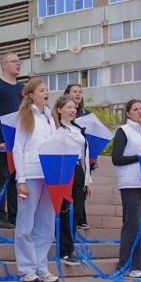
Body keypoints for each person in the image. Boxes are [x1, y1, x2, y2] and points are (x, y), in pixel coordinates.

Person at [12, 79, 59, 282]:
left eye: (47, 90)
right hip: (30, 175)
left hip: (49, 176)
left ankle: (41, 266)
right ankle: (26, 268)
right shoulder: (26, 116)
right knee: (26, 224)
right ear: (31, 94)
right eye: (41, 90)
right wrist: (20, 179)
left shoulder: (50, 116)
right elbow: (18, 148)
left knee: (46, 225)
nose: (45, 93)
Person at [111, 99, 141, 279]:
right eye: (135, 109)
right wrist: (140, 156)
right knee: (133, 224)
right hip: (132, 182)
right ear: (128, 113)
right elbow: (116, 158)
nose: (139, 112)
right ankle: (127, 264)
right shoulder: (124, 131)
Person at [52, 95, 92, 267]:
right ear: (59, 109)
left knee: (76, 212)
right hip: (62, 170)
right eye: (68, 107)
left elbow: (85, 155)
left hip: (78, 171)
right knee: (65, 211)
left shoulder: (78, 129)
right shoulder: (55, 128)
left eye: (74, 107)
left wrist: (88, 179)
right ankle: (65, 250)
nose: (73, 110)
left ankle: (69, 247)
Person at [0, 51, 24, 229]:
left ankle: (15, 216)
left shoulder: (22, 88)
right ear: (4, 65)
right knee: (2, 176)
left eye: (19, 61)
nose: (18, 63)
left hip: (21, 140)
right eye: (14, 61)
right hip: (3, 140)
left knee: (16, 178)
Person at [62, 83, 91, 228]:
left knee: (80, 194)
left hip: (81, 163)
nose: (78, 94)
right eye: (75, 91)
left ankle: (80, 218)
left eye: (80, 91)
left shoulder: (86, 114)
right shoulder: (58, 123)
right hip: (65, 165)